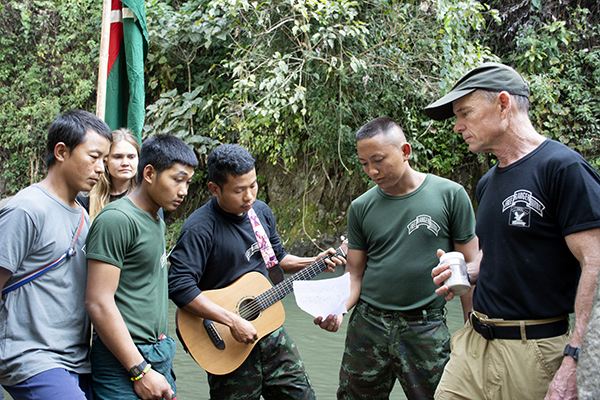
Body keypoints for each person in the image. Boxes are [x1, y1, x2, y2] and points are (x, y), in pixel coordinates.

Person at [426, 62, 600, 399]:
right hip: (474, 346)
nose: (457, 126)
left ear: (503, 105)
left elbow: (595, 264)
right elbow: (501, 256)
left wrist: (575, 358)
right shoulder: (489, 181)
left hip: (534, 351)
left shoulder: (563, 168)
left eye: (465, 113)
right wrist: (466, 271)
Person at [314, 116, 478, 399]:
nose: (372, 171)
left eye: (378, 159)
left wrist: (471, 334)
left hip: (425, 326)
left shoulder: (451, 196)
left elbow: (470, 270)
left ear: (405, 151)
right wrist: (338, 308)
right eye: (364, 163)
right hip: (368, 325)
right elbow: (354, 273)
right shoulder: (361, 207)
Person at [168, 144, 345, 400]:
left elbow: (277, 260)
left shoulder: (260, 212)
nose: (249, 196)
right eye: (239, 190)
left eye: (253, 185)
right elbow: (180, 287)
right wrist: (232, 321)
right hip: (227, 344)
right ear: (214, 189)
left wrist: (312, 262)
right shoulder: (199, 229)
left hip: (270, 333)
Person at [0, 110, 112, 399]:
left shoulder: (83, 216)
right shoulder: (26, 210)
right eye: (94, 156)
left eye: (104, 160)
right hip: (31, 357)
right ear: (61, 152)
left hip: (76, 358)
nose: (101, 168)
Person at [85, 134, 198, 400]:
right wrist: (140, 371)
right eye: (177, 179)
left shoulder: (156, 221)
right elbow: (98, 302)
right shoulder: (116, 219)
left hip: (157, 355)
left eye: (188, 183)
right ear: (149, 173)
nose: (183, 190)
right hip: (124, 361)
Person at [77, 128, 140, 219]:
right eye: (118, 157)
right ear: (106, 160)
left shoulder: (147, 198)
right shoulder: (87, 198)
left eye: (131, 157)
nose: (125, 163)